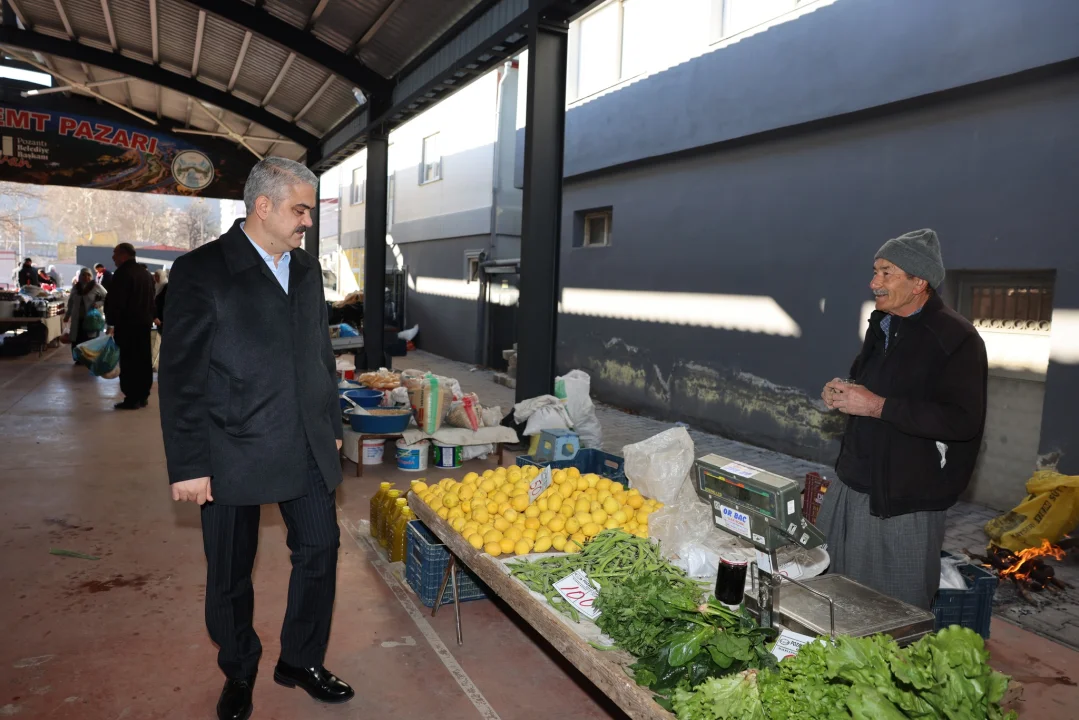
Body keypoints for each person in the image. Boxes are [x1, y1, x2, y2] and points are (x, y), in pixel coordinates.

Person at [159, 157, 350, 720]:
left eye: (309, 210)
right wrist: (189, 463)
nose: (307, 222)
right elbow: (181, 376)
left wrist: (332, 427)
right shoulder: (203, 271)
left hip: (306, 440)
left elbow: (321, 356)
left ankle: (301, 660)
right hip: (230, 447)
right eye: (300, 209)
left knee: (320, 549)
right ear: (262, 207)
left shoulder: (308, 270)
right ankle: (239, 668)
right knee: (230, 572)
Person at [818, 229, 988, 610]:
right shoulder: (882, 324)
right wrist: (844, 391)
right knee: (833, 594)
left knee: (890, 611)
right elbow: (869, 382)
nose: (873, 282)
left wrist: (878, 406)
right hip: (854, 482)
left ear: (918, 282)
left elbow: (963, 421)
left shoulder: (956, 338)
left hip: (903, 500)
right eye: (875, 271)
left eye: (886, 273)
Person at [103, 243, 156, 410]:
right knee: (143, 360)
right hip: (144, 324)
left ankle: (132, 397)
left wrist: (111, 322)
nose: (113, 257)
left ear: (123, 255)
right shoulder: (145, 274)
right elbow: (152, 299)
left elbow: (116, 301)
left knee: (129, 362)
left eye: (115, 254)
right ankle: (142, 395)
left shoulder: (122, 274)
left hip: (127, 325)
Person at [65, 268, 108, 348]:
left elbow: (107, 298)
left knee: (89, 342)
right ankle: (78, 359)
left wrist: (98, 303)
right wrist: (67, 316)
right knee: (76, 342)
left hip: (91, 320)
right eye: (83, 275)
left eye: (88, 275)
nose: (86, 277)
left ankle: (87, 360)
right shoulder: (76, 287)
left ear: (91, 276)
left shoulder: (95, 286)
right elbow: (71, 302)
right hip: (77, 320)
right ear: (80, 276)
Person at [151, 269, 169, 371]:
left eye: (157, 276)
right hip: (158, 319)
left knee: (161, 342)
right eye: (155, 276)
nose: (156, 278)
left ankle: (158, 364)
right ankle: (156, 364)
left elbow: (163, 304)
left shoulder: (165, 286)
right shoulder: (158, 287)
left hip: (163, 319)